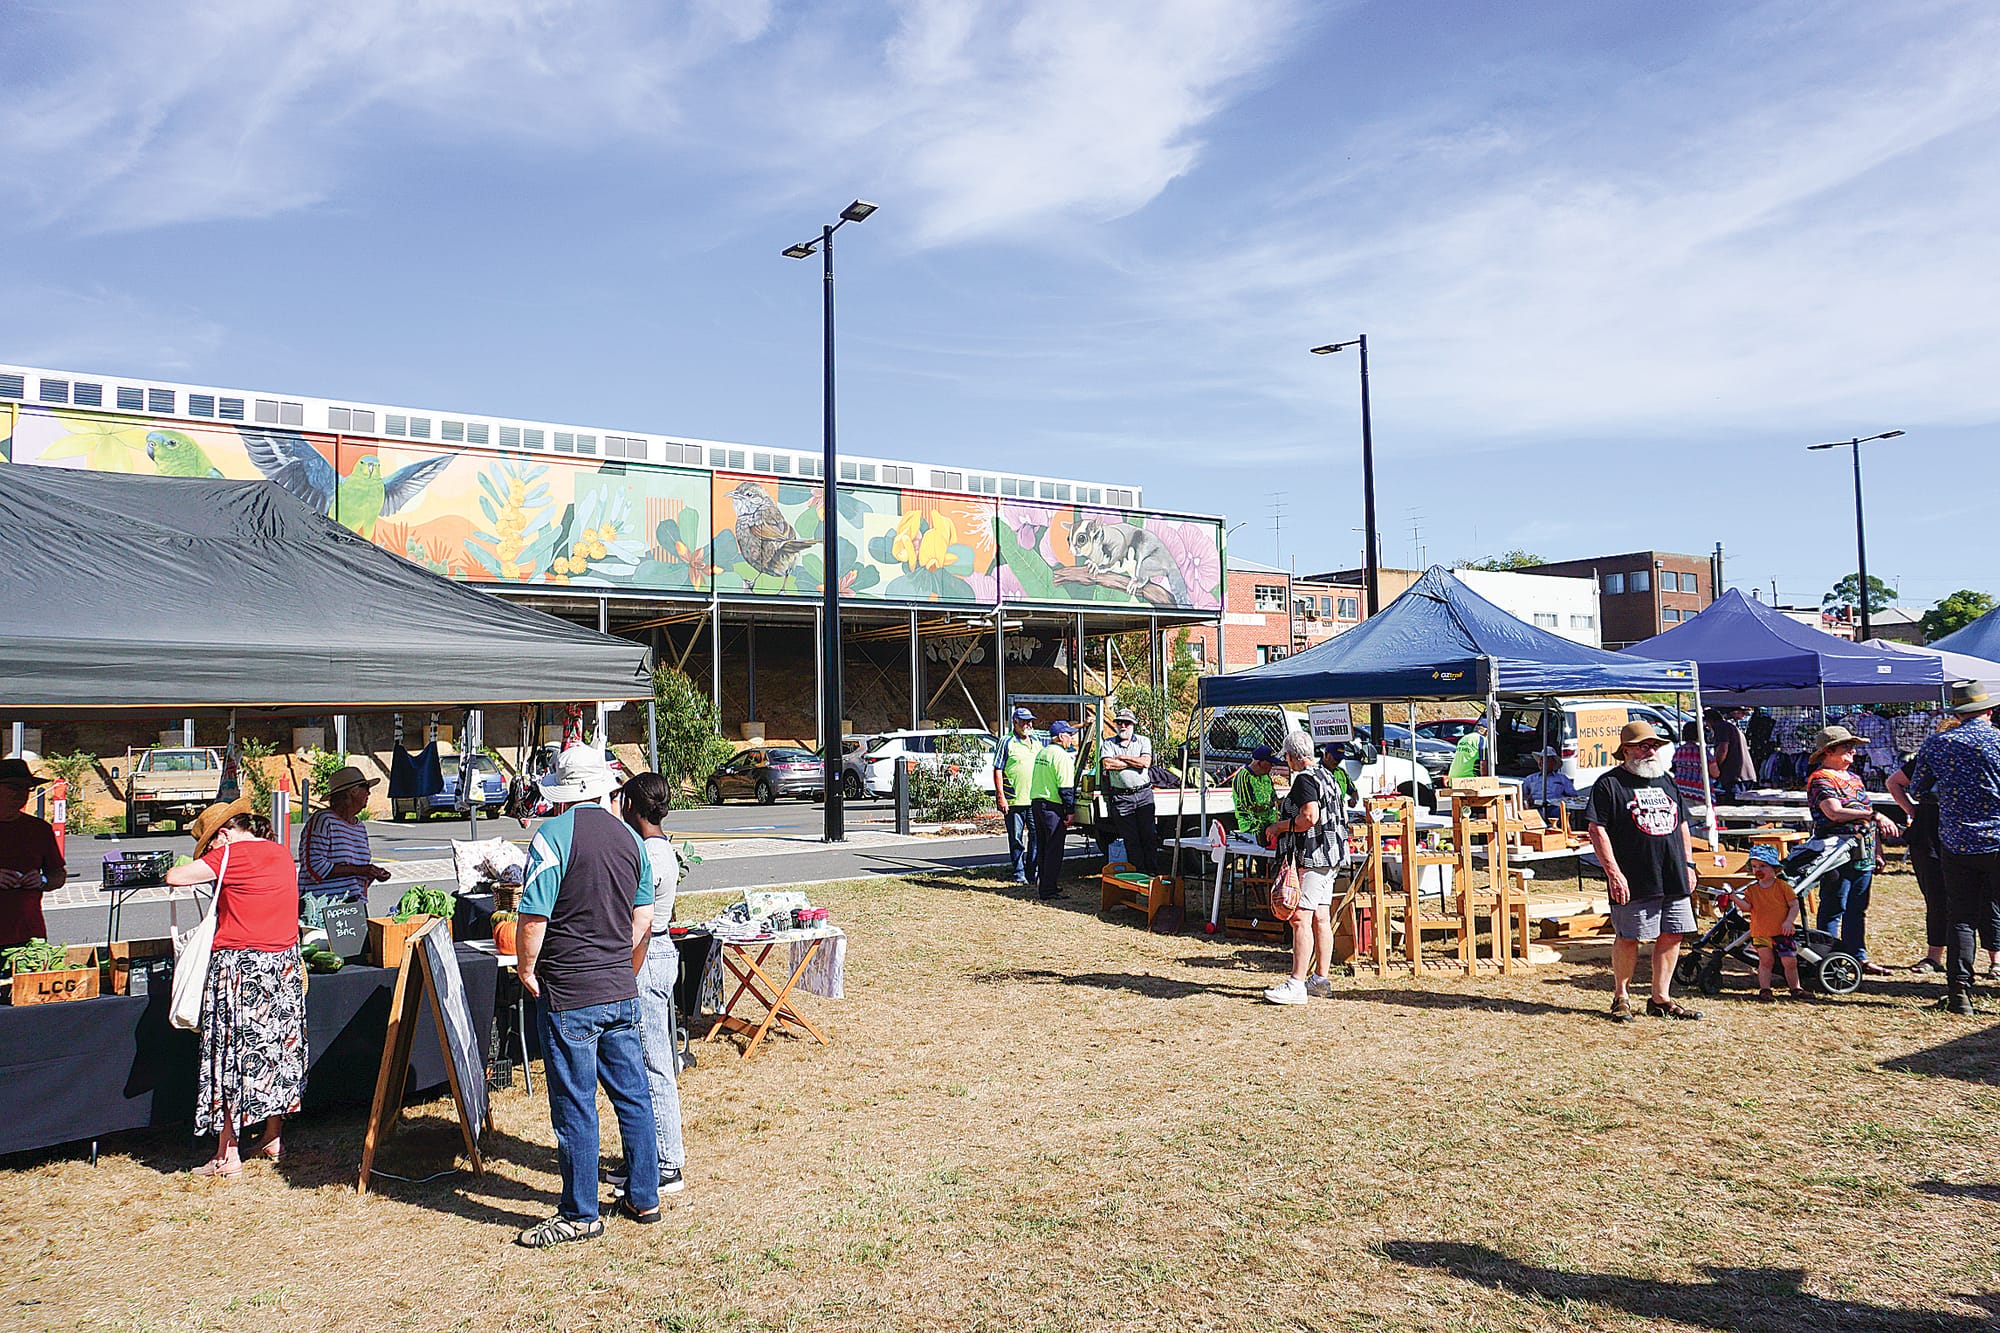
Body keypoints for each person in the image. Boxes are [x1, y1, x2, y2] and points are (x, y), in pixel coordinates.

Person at [515, 746, 660, 1246]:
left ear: (562, 793)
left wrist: (526, 968)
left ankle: (580, 1214)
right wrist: (624, 966)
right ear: (604, 789)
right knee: (633, 1096)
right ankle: (644, 1195)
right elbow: (644, 919)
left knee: (575, 1105)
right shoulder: (632, 839)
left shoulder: (553, 835)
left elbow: (534, 915)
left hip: (570, 990)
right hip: (618, 987)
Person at [164, 799, 306, 1178]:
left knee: (231, 1056)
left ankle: (227, 1154)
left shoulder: (231, 854)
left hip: (241, 968)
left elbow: (175, 877)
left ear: (224, 834)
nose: (210, 851)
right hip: (282, 966)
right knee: (276, 1052)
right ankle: (273, 1136)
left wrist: (205, 861)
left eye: (210, 843)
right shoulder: (279, 852)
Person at [1586, 721, 1702, 1022]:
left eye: (1654, 746)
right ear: (1626, 750)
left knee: (1673, 933)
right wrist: (1614, 873)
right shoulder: (1609, 784)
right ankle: (1621, 997)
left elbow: (1682, 824)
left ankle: (1660, 999)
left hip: (1673, 872)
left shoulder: (1666, 781)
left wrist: (1689, 864)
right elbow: (1596, 829)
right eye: (1643, 746)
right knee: (1629, 937)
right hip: (1634, 874)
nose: (1651, 751)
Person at [614, 772, 688, 1200]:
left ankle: (666, 1161)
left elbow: (637, 920)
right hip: (655, 950)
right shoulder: (660, 849)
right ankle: (644, 1154)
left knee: (653, 1061)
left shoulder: (648, 856)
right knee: (639, 1063)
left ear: (632, 806)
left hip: (647, 952)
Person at [1909, 681, 2000, 1016]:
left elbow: (1918, 789)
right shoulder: (1998, 741)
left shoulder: (1937, 743)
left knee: (1961, 917)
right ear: (1989, 710)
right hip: (1997, 837)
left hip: (1956, 841)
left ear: (1958, 713)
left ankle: (1959, 993)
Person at [1804, 725, 1898, 978]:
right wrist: (1874, 815)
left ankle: (1857, 957)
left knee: (1858, 908)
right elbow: (1833, 812)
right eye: (1847, 747)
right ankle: (1827, 959)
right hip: (1836, 853)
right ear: (1829, 751)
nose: (1853, 751)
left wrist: (1877, 850)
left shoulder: (1854, 778)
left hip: (1863, 853)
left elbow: (1866, 818)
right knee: (1834, 906)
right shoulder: (1821, 778)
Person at [1263, 730, 1346, 1005]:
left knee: (1300, 917)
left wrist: (1279, 826)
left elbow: (1309, 816)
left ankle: (1296, 984)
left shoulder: (1304, 779)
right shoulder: (1328, 776)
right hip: (1332, 855)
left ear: (1292, 757)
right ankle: (1320, 980)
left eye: (1287, 758)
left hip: (1313, 856)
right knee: (1321, 917)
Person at [297, 766, 391, 908]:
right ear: (352, 792)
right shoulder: (323, 820)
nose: (369, 793)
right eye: (365, 787)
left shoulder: (359, 827)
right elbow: (315, 867)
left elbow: (358, 871)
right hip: (323, 906)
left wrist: (372, 873)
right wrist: (361, 870)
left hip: (353, 904)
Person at [0, 757, 68, 950]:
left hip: (29, 936)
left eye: (26, 788)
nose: (21, 793)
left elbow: (58, 874)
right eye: (13, 787)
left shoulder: (39, 829)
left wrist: (43, 880)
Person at [1741, 844, 1812, 1002]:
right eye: (1754, 866)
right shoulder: (1752, 890)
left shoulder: (1782, 887)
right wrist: (1733, 897)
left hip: (1782, 931)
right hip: (1761, 932)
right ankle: (1765, 989)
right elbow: (1747, 907)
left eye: (1763, 866)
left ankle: (1795, 988)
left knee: (1790, 961)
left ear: (1774, 868)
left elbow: (1794, 905)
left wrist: (1789, 921)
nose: (1758, 869)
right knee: (1765, 962)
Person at [1100, 707, 1158, 874]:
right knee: (1131, 839)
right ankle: (1138, 875)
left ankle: (1152, 873)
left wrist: (1123, 758)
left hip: (1144, 795)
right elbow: (1108, 764)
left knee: (1149, 836)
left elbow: (1145, 762)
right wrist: (1134, 762)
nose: (1123, 726)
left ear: (1133, 725)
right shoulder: (1109, 743)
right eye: (1119, 722)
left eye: (1127, 723)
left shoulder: (1143, 741)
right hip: (1122, 798)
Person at [1028, 721, 1079, 901]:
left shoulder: (1043, 752)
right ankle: (1049, 889)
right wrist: (1070, 811)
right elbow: (1065, 787)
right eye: (1069, 735)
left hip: (1037, 803)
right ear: (1061, 736)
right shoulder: (1062, 756)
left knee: (1043, 847)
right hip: (1052, 806)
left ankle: (1044, 884)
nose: (1071, 738)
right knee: (1054, 849)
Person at [992, 709, 1042, 885]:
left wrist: (1083, 725)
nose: (1027, 724)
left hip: (1034, 798)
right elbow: (998, 769)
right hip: (1014, 799)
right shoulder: (1006, 741)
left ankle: (1032, 871)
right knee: (1016, 838)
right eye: (1024, 721)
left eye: (1030, 721)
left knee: (1037, 836)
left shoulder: (1036, 741)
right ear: (1015, 722)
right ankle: (1019, 872)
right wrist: (1001, 796)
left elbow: (1057, 736)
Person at [1231, 746, 1279, 844]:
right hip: (1252, 827)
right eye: (1270, 763)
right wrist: (1273, 804)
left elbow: (1274, 798)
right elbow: (1250, 807)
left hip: (1269, 823)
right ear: (1259, 763)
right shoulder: (1243, 777)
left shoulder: (1266, 777)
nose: (1272, 766)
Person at [1709, 707, 1756, 803]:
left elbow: (1723, 749)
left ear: (1710, 721)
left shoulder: (1721, 727)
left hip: (1735, 778)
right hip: (1746, 775)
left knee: (1734, 807)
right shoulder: (1729, 727)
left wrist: (1715, 766)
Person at [1519, 748, 1578, 824]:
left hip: (1555, 808)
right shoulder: (1530, 779)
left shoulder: (1562, 778)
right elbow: (1522, 795)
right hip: (1536, 808)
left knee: (1559, 812)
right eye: (1541, 759)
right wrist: (1527, 800)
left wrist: (1561, 801)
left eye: (1546, 760)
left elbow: (1573, 795)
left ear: (1553, 763)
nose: (1542, 762)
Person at [1317, 744, 1355, 808]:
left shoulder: (1341, 772)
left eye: (1340, 759)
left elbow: (1353, 791)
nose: (1338, 762)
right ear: (1326, 754)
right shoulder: (1314, 772)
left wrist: (1353, 799)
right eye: (1336, 758)